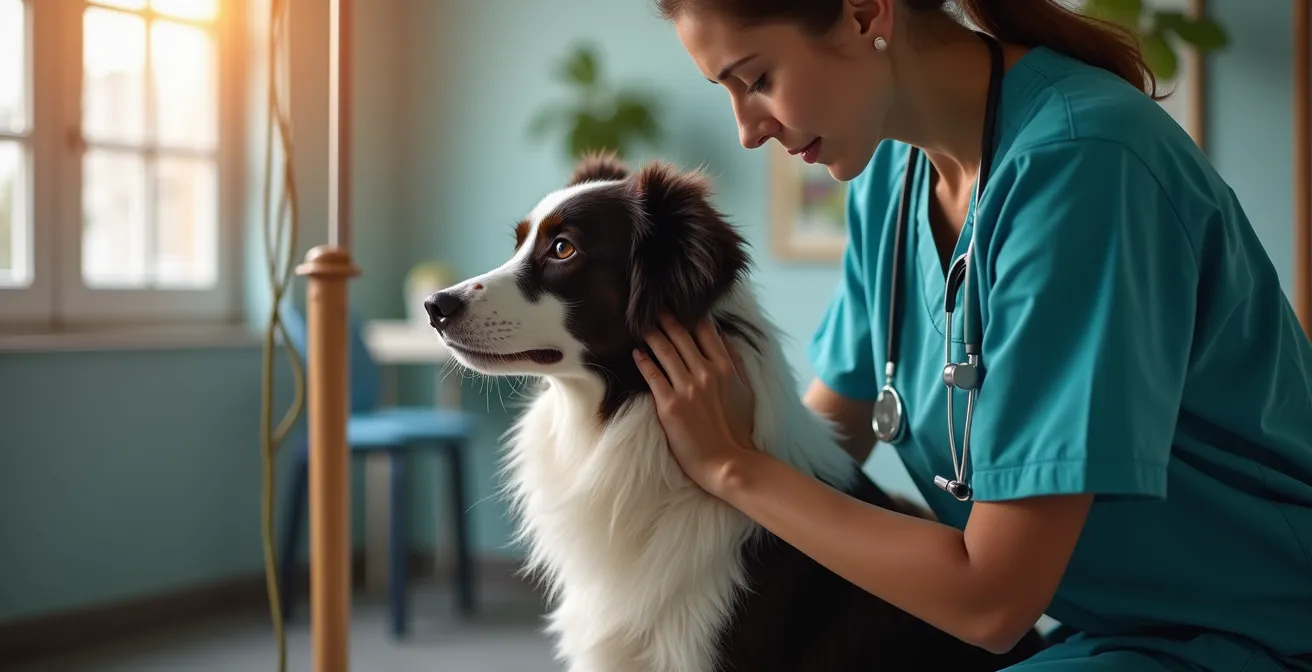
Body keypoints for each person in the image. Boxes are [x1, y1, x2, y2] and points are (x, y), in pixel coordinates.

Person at [627, 0, 1312, 670]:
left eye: (757, 80)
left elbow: (990, 601)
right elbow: (824, 456)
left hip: (1261, 631)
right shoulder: (889, 183)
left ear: (867, 13)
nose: (746, 131)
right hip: (1112, 631)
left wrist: (735, 467)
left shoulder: (1084, 165)